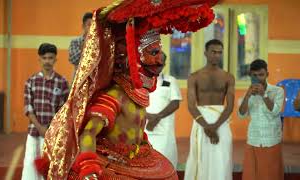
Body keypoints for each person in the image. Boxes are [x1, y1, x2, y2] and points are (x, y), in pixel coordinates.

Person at [34, 1, 218, 179]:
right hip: (112, 163)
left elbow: (137, 129)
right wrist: (88, 168)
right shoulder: (115, 95)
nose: (160, 60)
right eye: (153, 53)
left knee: (168, 171)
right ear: (133, 57)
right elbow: (88, 133)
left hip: (136, 158)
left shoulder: (138, 94)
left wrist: (144, 146)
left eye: (159, 53)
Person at [184, 39, 235, 180]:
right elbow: (191, 105)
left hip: (221, 123)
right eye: (213, 52)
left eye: (219, 52)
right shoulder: (194, 77)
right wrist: (206, 126)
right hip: (201, 122)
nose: (216, 55)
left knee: (221, 159)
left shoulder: (228, 77)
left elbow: (230, 106)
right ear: (206, 53)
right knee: (201, 159)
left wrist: (215, 127)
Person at [22, 43, 69, 180]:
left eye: (50, 58)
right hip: (34, 132)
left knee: (50, 166)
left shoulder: (62, 82)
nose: (47, 61)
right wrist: (40, 128)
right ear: (39, 59)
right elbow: (28, 109)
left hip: (53, 134)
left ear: (55, 60)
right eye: (44, 58)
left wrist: (50, 130)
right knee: (31, 165)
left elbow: (63, 110)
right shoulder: (31, 82)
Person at [238, 59, 284, 180]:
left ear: (267, 75)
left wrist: (264, 95)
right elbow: (241, 114)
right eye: (254, 75)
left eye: (261, 75)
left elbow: (275, 112)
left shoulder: (278, 91)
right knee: (251, 176)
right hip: (253, 140)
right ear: (250, 75)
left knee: (271, 176)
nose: (258, 78)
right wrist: (247, 96)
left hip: (271, 140)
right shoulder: (248, 93)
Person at [145, 52, 182, 168]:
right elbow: (136, 102)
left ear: (164, 64)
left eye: (160, 64)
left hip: (164, 132)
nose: (157, 66)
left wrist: (157, 117)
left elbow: (175, 103)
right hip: (144, 130)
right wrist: (147, 116)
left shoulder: (170, 81)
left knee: (165, 163)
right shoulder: (141, 82)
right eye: (154, 63)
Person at [68, 12, 92, 78]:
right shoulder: (75, 42)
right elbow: (73, 60)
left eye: (94, 25)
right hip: (78, 77)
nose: (92, 28)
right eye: (89, 25)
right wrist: (84, 47)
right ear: (83, 26)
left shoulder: (98, 43)